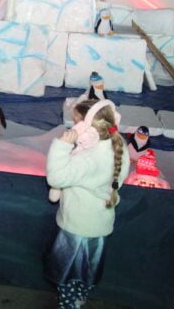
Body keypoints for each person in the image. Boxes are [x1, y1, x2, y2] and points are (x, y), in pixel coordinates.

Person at [45, 98, 129, 309]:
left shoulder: (86, 159)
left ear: (89, 129)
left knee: (69, 273)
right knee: (86, 271)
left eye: (77, 123)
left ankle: (68, 305)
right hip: (98, 225)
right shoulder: (117, 146)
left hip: (76, 228)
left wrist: (62, 146)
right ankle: (80, 299)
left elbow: (56, 178)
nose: (74, 127)